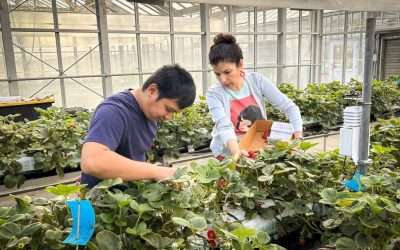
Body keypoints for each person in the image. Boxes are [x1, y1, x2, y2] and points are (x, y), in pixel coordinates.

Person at [80, 64, 196, 188]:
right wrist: (156, 171)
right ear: (152, 91)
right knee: (80, 206)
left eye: (174, 113)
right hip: (93, 201)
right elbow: (92, 162)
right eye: (168, 109)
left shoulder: (149, 113)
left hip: (123, 199)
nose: (168, 117)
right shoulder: (113, 111)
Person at [206, 33, 303, 160]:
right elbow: (224, 126)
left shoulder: (257, 81)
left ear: (240, 64)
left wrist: (297, 139)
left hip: (257, 147)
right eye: (217, 74)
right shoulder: (215, 93)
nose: (222, 79)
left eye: (227, 72)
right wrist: (236, 152)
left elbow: (290, 107)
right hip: (228, 153)